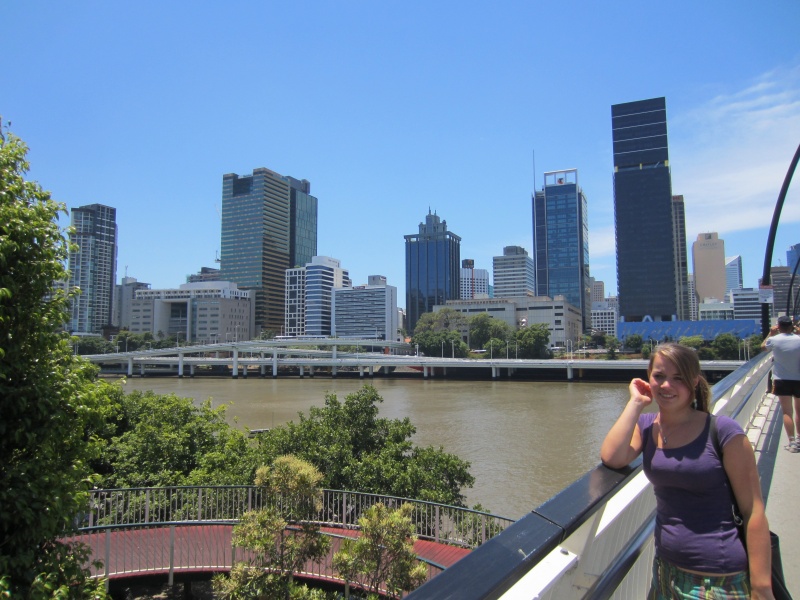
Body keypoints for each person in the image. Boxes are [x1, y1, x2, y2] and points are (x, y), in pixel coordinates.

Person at [601, 343, 773, 599]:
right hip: (665, 571)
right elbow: (612, 457)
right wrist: (636, 402)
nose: (666, 385)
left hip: (716, 580)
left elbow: (753, 510)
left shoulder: (723, 432)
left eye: (678, 378)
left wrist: (761, 587)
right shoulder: (648, 427)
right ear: (648, 378)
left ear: (694, 382)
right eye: (659, 376)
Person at [761, 315, 800, 452]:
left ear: (778, 326)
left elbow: (763, 347)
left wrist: (770, 333)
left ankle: (792, 442)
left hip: (782, 380)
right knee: (799, 411)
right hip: (799, 379)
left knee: (787, 412)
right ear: (791, 326)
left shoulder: (774, 340)